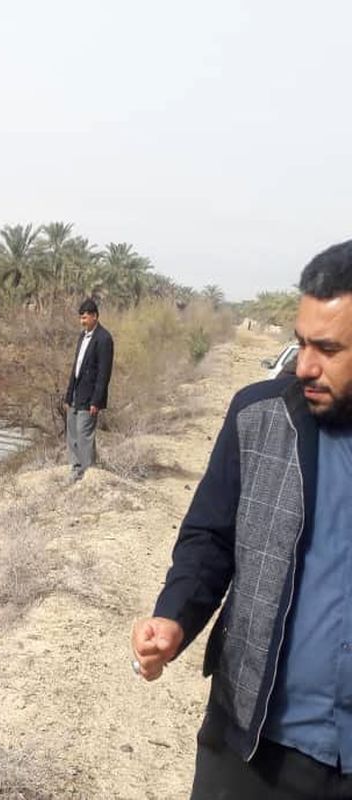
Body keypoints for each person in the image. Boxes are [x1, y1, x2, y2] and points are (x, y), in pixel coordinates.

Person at [133, 239, 352, 798]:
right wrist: (174, 617)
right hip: (253, 750)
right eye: (301, 342)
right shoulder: (257, 419)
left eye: (327, 349)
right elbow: (210, 539)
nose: (304, 365)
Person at [63, 298, 114, 480]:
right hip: (76, 392)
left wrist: (96, 401)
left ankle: (88, 473)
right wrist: (68, 396)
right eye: (81, 318)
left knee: (85, 434)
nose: (82, 321)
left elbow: (103, 373)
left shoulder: (104, 339)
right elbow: (76, 367)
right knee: (73, 432)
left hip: (90, 396)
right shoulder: (82, 336)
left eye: (85, 318)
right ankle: (76, 468)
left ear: (95, 316)